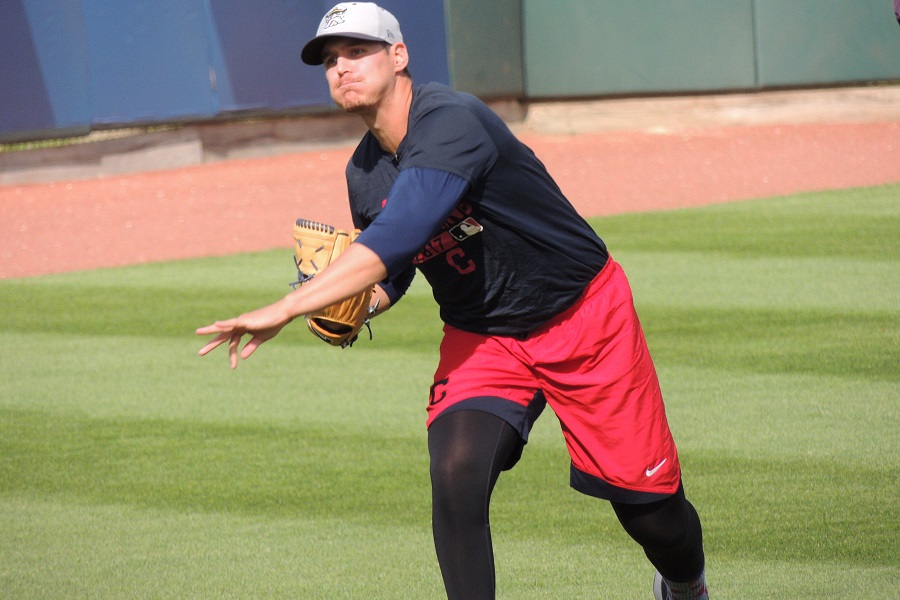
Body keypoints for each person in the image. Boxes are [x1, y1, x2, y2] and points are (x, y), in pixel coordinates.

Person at [197, 3, 709, 599]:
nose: (342, 68)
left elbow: (397, 235)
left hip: (583, 317)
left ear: (399, 56)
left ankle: (684, 584)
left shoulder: (451, 120)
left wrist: (287, 305)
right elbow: (399, 269)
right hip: (483, 335)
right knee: (455, 472)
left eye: (358, 52)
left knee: (652, 515)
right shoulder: (364, 173)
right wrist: (362, 303)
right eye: (331, 60)